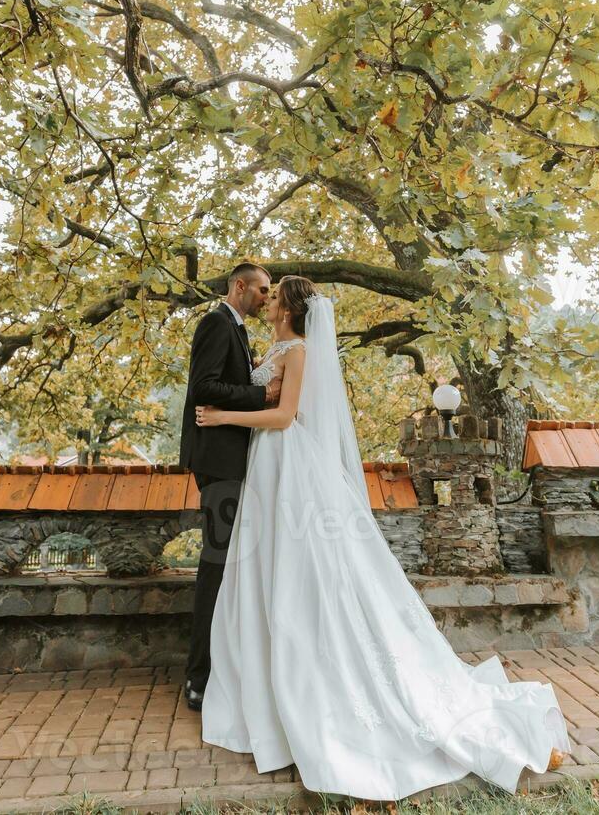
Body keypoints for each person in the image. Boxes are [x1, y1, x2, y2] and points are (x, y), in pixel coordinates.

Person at [193, 276, 570, 801]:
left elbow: (283, 416)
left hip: (288, 463)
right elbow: (268, 394)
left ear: (290, 308)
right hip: (268, 466)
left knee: (304, 567)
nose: (269, 298)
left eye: (275, 294)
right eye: (267, 292)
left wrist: (224, 415)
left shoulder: (297, 350)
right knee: (271, 566)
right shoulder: (277, 346)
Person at [178, 262, 281, 711]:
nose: (265, 296)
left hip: (233, 461)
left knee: (230, 564)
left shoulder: (238, 328)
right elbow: (204, 388)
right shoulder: (217, 323)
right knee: (216, 564)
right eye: (261, 289)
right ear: (239, 287)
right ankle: (198, 677)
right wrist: (262, 396)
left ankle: (224, 663)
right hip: (219, 462)